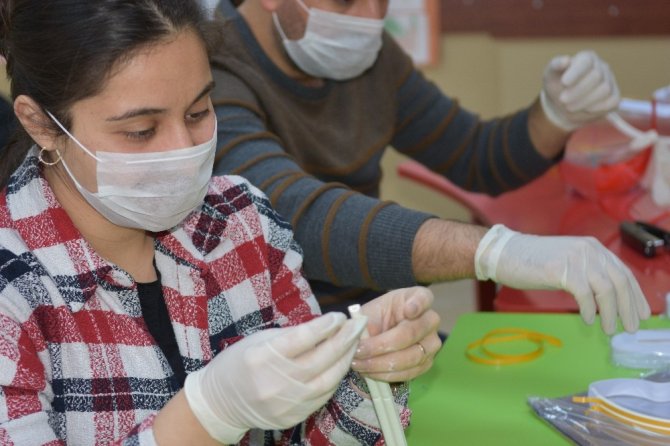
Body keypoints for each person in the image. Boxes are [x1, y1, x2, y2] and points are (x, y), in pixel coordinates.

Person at [0, 1, 441, 444]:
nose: (182, 150)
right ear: (40, 123)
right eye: (140, 131)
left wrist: (365, 368)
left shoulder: (240, 221)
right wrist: (207, 414)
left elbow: (313, 434)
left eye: (198, 112)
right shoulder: (14, 292)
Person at [207, 0, 650, 335]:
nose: (368, 18)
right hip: (274, 345)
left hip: (377, 324)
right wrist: (493, 251)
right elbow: (288, 216)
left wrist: (555, 115)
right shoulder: (209, 72)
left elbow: (477, 157)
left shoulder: (371, 56)